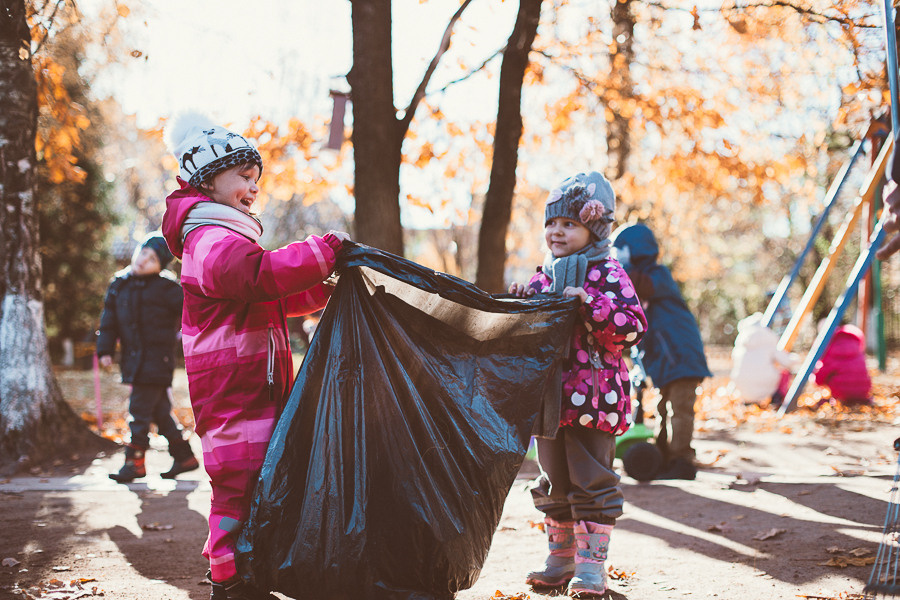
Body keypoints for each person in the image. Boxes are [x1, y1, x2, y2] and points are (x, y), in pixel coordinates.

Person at [160, 114, 349, 600]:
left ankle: (242, 567)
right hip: (231, 393)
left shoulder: (226, 236)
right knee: (238, 484)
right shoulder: (207, 241)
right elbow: (256, 278)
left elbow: (269, 297)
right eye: (242, 176)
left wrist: (318, 293)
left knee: (256, 483)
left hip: (253, 388)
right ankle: (230, 578)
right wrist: (319, 253)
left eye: (255, 180)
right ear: (207, 178)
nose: (252, 187)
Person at [508, 172, 646, 597]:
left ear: (595, 228)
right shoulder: (544, 275)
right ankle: (560, 559)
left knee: (591, 480)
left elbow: (631, 327)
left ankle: (591, 569)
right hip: (550, 401)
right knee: (553, 480)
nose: (556, 231)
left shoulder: (607, 272)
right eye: (552, 223)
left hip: (594, 398)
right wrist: (521, 304)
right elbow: (530, 334)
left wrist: (591, 304)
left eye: (569, 224)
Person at [611, 223, 712, 480]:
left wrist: (618, 267)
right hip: (664, 361)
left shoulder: (658, 276)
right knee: (662, 407)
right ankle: (664, 455)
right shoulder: (635, 283)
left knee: (680, 408)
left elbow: (639, 285)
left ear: (634, 251)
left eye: (620, 252)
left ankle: (682, 460)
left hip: (682, 355)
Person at [96, 231, 198, 483]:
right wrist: (105, 350)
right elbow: (109, 322)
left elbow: (193, 311)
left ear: (160, 266)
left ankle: (135, 463)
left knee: (139, 411)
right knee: (161, 412)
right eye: (143, 252)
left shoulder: (168, 289)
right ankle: (184, 457)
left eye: (151, 259)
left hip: (158, 359)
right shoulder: (119, 285)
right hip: (133, 359)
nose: (143, 260)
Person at [730, 313, 798, 406]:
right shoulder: (768, 340)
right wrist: (796, 358)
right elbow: (786, 361)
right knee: (784, 372)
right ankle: (777, 398)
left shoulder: (740, 346)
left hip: (741, 386)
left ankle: (748, 400)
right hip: (765, 385)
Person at [812, 323, 872, 406]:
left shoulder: (830, 348)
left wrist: (815, 379)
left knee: (830, 374)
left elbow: (821, 376)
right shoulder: (856, 345)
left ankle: (840, 399)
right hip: (864, 391)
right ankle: (859, 398)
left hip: (842, 393)